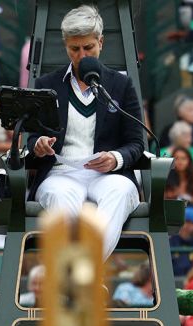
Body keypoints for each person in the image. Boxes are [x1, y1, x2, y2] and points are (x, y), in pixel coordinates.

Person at [26, 6, 144, 260]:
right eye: (74, 49)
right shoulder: (47, 84)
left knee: (121, 192)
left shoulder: (121, 84)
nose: (81, 55)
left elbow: (136, 141)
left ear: (101, 42)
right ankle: (84, 273)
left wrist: (115, 158)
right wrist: (40, 144)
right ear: (66, 46)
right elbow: (32, 137)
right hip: (61, 171)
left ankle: (78, 271)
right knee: (59, 196)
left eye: (88, 48)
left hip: (108, 172)